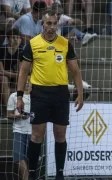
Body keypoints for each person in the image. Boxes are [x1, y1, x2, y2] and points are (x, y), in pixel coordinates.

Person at [17, 9, 84, 180]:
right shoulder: (32, 44)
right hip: (39, 94)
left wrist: (80, 93)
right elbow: (23, 71)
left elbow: (75, 71)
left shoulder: (65, 43)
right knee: (37, 135)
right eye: (48, 23)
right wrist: (19, 96)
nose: (51, 27)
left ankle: (59, 175)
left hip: (60, 94)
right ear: (42, 24)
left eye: (54, 24)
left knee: (60, 135)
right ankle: (32, 174)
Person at [7, 77, 31, 180]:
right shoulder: (13, 96)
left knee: (31, 158)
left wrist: (31, 115)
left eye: (29, 81)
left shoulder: (35, 97)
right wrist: (19, 116)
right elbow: (8, 114)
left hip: (32, 131)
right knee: (19, 158)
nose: (27, 83)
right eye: (25, 81)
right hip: (18, 130)